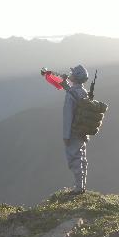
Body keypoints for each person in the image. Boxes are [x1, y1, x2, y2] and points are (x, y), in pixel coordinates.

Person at [41, 64, 91, 192]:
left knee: (74, 158)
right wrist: (60, 79)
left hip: (73, 131)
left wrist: (66, 136)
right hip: (82, 130)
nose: (70, 74)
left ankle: (78, 188)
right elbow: (69, 88)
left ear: (76, 77)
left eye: (72, 73)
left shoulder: (72, 95)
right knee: (82, 157)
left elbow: (68, 115)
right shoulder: (82, 91)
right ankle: (81, 185)